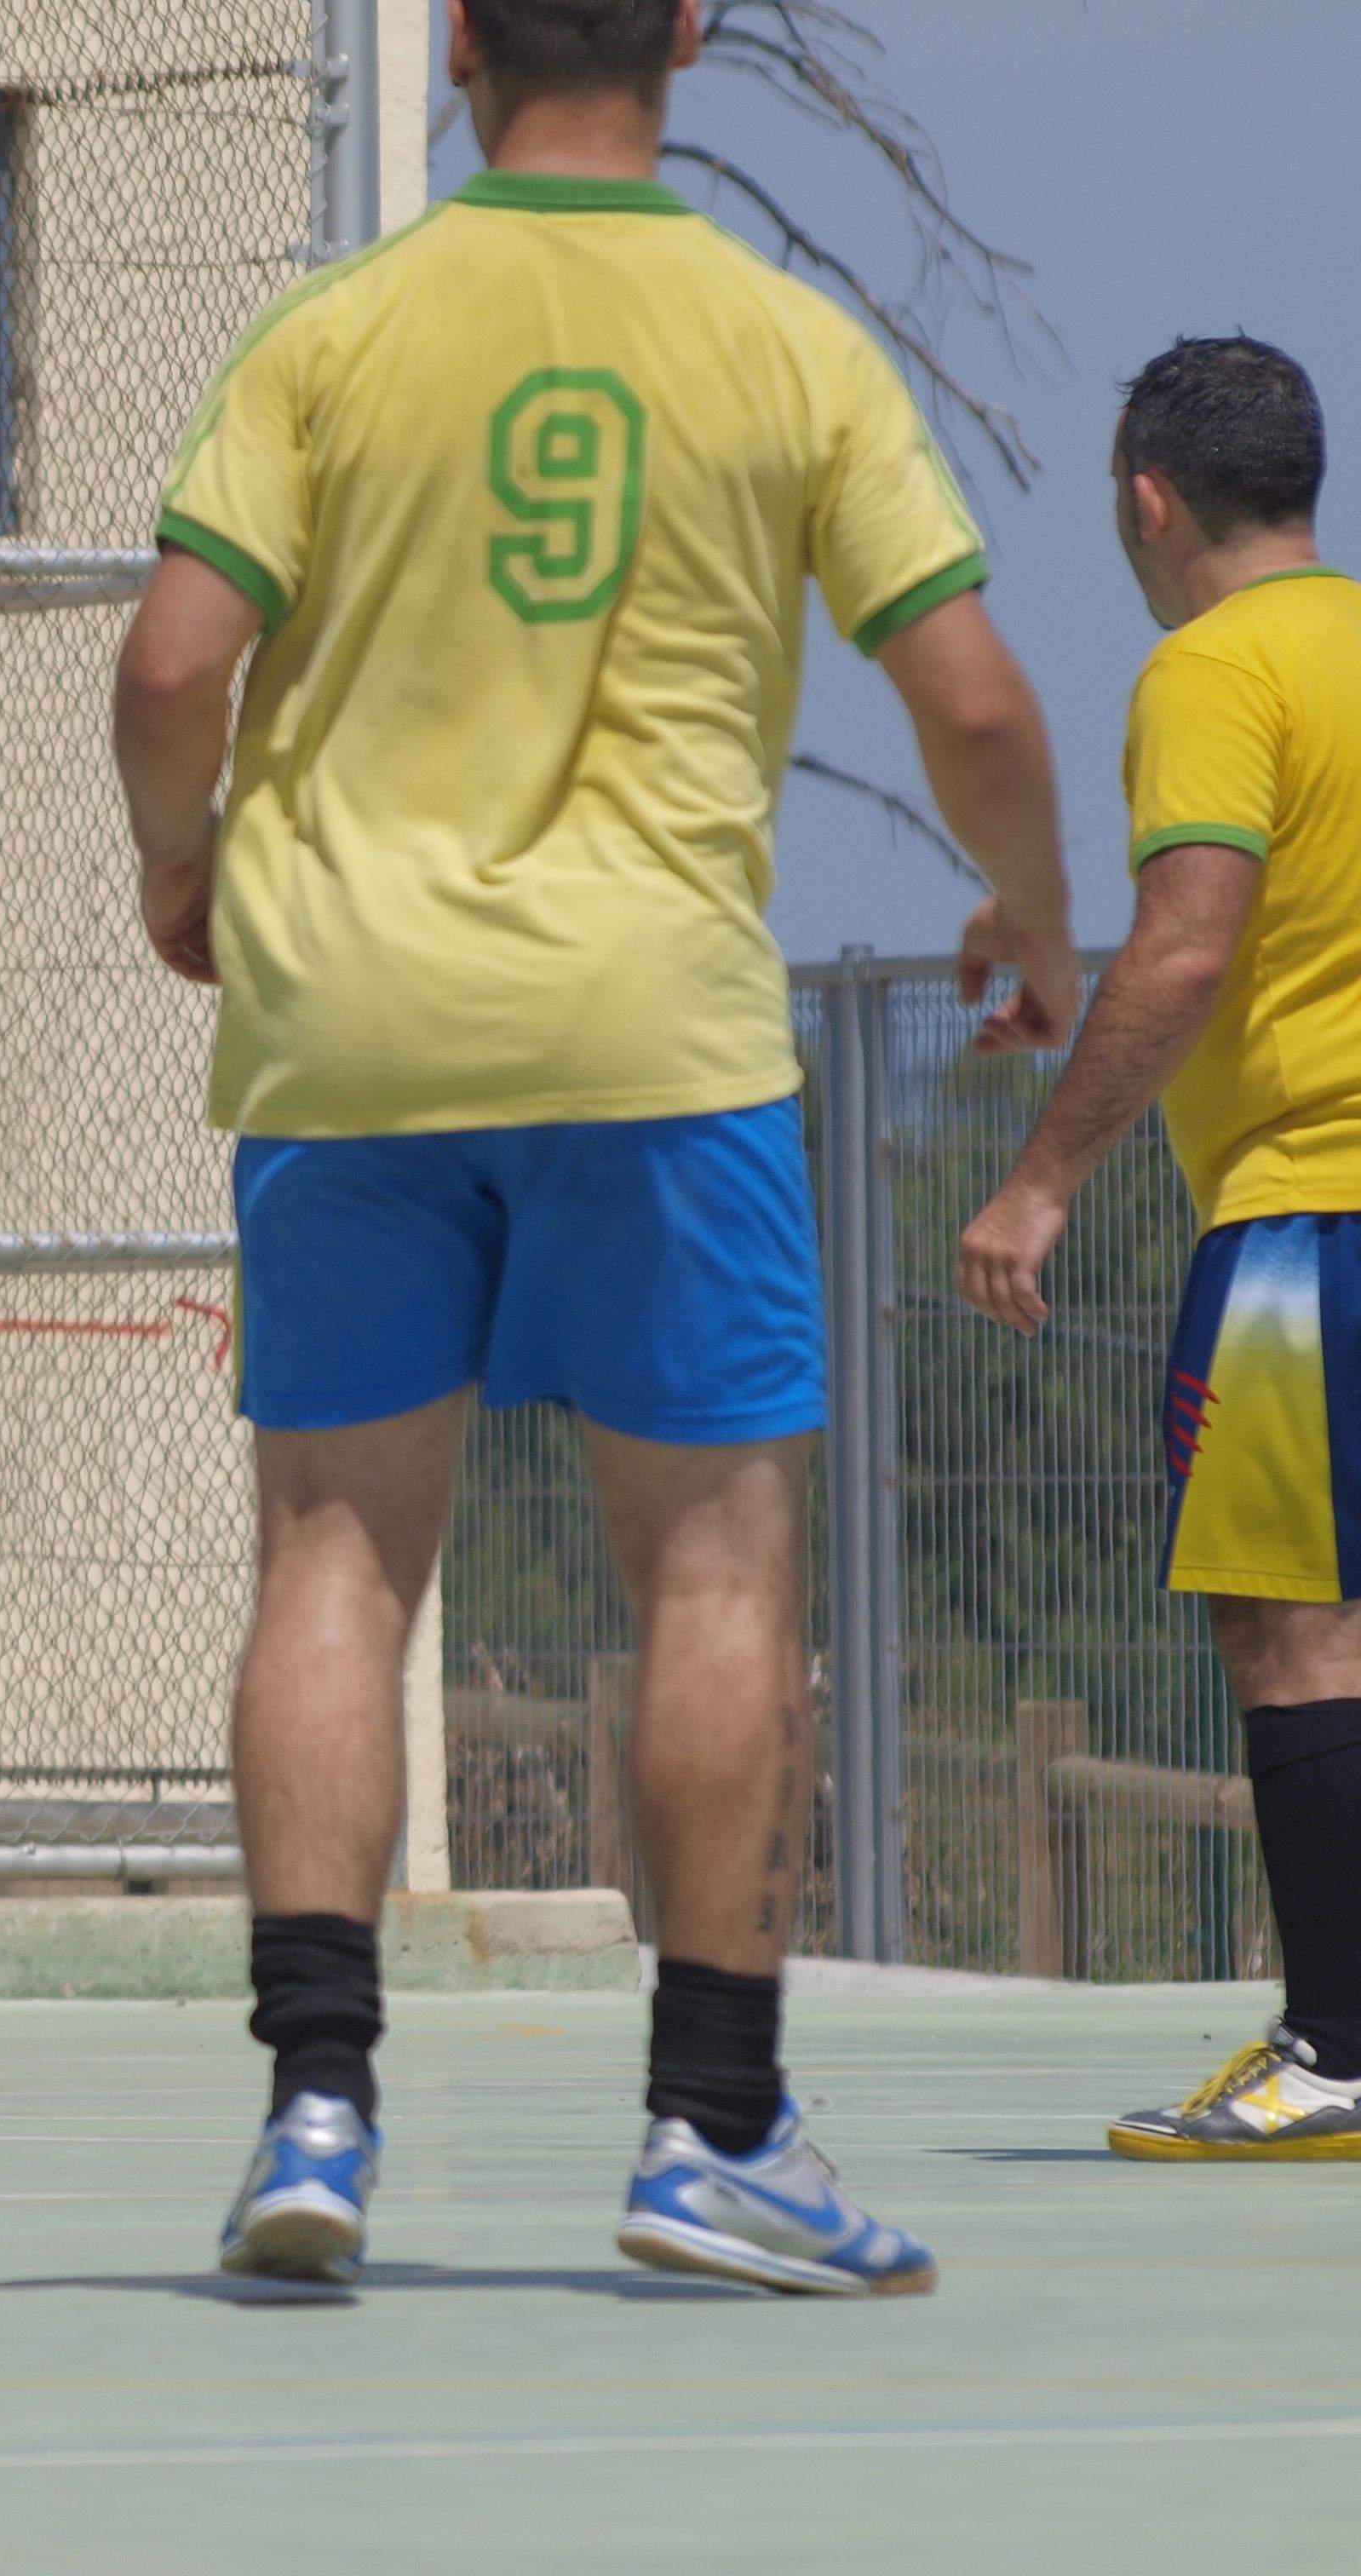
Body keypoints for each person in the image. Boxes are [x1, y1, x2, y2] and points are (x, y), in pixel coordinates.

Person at [112, 0, 1078, 2291]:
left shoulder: (332, 329)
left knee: (336, 1562)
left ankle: (318, 2103)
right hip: (658, 1031)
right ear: (691, 33)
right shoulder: (784, 344)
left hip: (349, 1031)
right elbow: (972, 696)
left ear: (449, 44)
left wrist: (189, 867)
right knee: (717, 1574)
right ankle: (714, 2130)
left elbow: (170, 667)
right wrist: (1033, 917)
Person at [961, 338, 1361, 2159]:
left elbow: (1193, 944)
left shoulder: (1210, 667)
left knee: (1292, 1636)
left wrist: (1040, 1181)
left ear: (1148, 496)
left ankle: (1337, 2054)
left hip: (1306, 1211)